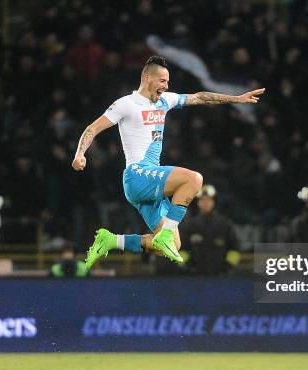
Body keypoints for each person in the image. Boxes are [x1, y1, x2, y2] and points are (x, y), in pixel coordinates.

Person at [72, 55, 264, 266]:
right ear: (147, 78)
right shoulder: (126, 104)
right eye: (162, 81)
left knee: (174, 244)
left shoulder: (165, 100)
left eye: (168, 82)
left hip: (149, 185)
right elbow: (92, 128)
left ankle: (111, 241)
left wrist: (236, 99)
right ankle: (165, 234)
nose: (166, 86)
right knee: (194, 180)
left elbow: (200, 97)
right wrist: (80, 154)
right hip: (137, 175)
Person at [182, 184, 241, 275]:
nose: (205, 203)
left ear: (214, 202)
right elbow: (181, 249)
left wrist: (228, 267)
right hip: (195, 278)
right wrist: (188, 267)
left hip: (220, 278)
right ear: (198, 202)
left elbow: (235, 248)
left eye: (209, 199)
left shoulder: (225, 225)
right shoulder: (190, 225)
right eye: (202, 200)